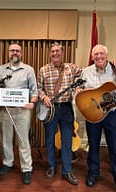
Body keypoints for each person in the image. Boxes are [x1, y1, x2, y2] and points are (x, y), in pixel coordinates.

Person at [79, 44, 116, 192]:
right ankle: (93, 174)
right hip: (93, 114)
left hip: (113, 115)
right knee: (93, 146)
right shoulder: (85, 72)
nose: (99, 57)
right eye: (96, 54)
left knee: (115, 148)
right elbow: (79, 90)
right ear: (92, 57)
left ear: (107, 55)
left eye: (101, 54)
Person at [0, 43, 38, 185]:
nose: (14, 53)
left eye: (17, 51)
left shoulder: (28, 70)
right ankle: (8, 163)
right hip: (5, 111)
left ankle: (26, 168)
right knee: (6, 138)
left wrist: (33, 103)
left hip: (22, 111)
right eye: (12, 50)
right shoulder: (0, 70)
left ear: (21, 53)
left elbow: (34, 91)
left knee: (23, 140)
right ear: (8, 53)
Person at [37, 42, 81, 185]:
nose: (55, 53)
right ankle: (51, 165)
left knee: (67, 140)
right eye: (53, 51)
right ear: (50, 54)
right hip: (51, 109)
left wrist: (111, 63)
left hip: (66, 109)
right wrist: (44, 97)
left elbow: (86, 74)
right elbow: (38, 88)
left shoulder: (72, 67)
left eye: (58, 51)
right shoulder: (43, 70)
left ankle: (67, 170)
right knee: (49, 139)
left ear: (62, 53)